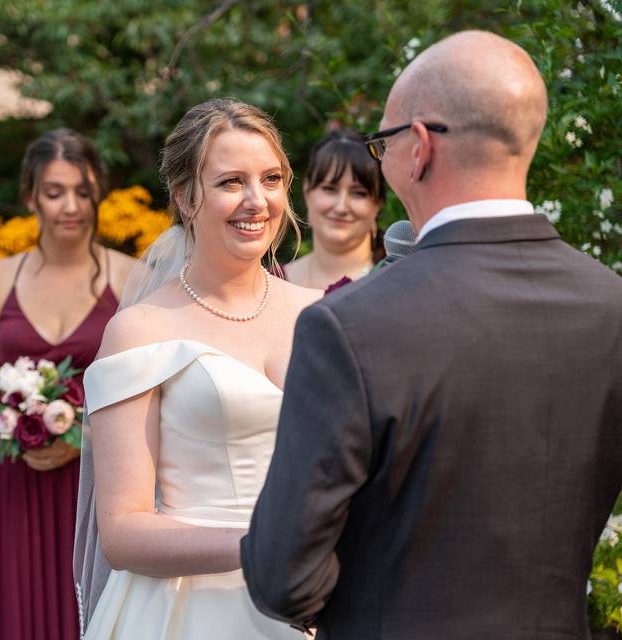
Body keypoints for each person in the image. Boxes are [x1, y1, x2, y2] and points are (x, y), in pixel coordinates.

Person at [242, 30, 622, 638]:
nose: (382, 156)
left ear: (418, 147)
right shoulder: (613, 307)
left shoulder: (350, 325)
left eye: (383, 141)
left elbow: (282, 578)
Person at [79, 98, 322, 639]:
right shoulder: (141, 330)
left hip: (315, 603)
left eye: (272, 178)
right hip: (189, 610)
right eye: (231, 182)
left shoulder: (322, 313)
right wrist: (264, 545)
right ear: (187, 197)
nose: (257, 201)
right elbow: (121, 532)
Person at [0, 128, 136, 640]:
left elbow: (154, 401)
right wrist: (9, 428)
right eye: (54, 192)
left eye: (83, 191)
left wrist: (80, 439)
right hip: (6, 482)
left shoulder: (133, 280)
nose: (71, 206)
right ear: (30, 197)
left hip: (96, 486)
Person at [283, 128, 386, 290]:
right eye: (330, 189)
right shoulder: (270, 284)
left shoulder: (395, 282)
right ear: (307, 191)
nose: (341, 207)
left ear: (378, 203)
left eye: (358, 193)